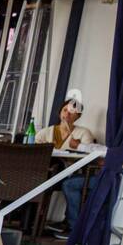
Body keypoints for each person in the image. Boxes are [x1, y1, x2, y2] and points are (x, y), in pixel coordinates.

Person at [35, 94, 97, 236]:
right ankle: (31, 221)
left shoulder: (83, 133)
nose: (67, 114)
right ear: (60, 113)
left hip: (68, 173)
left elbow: (87, 154)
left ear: (78, 115)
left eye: (72, 112)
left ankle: (71, 227)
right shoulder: (48, 131)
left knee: (67, 182)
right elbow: (35, 143)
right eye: (65, 110)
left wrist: (78, 145)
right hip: (45, 172)